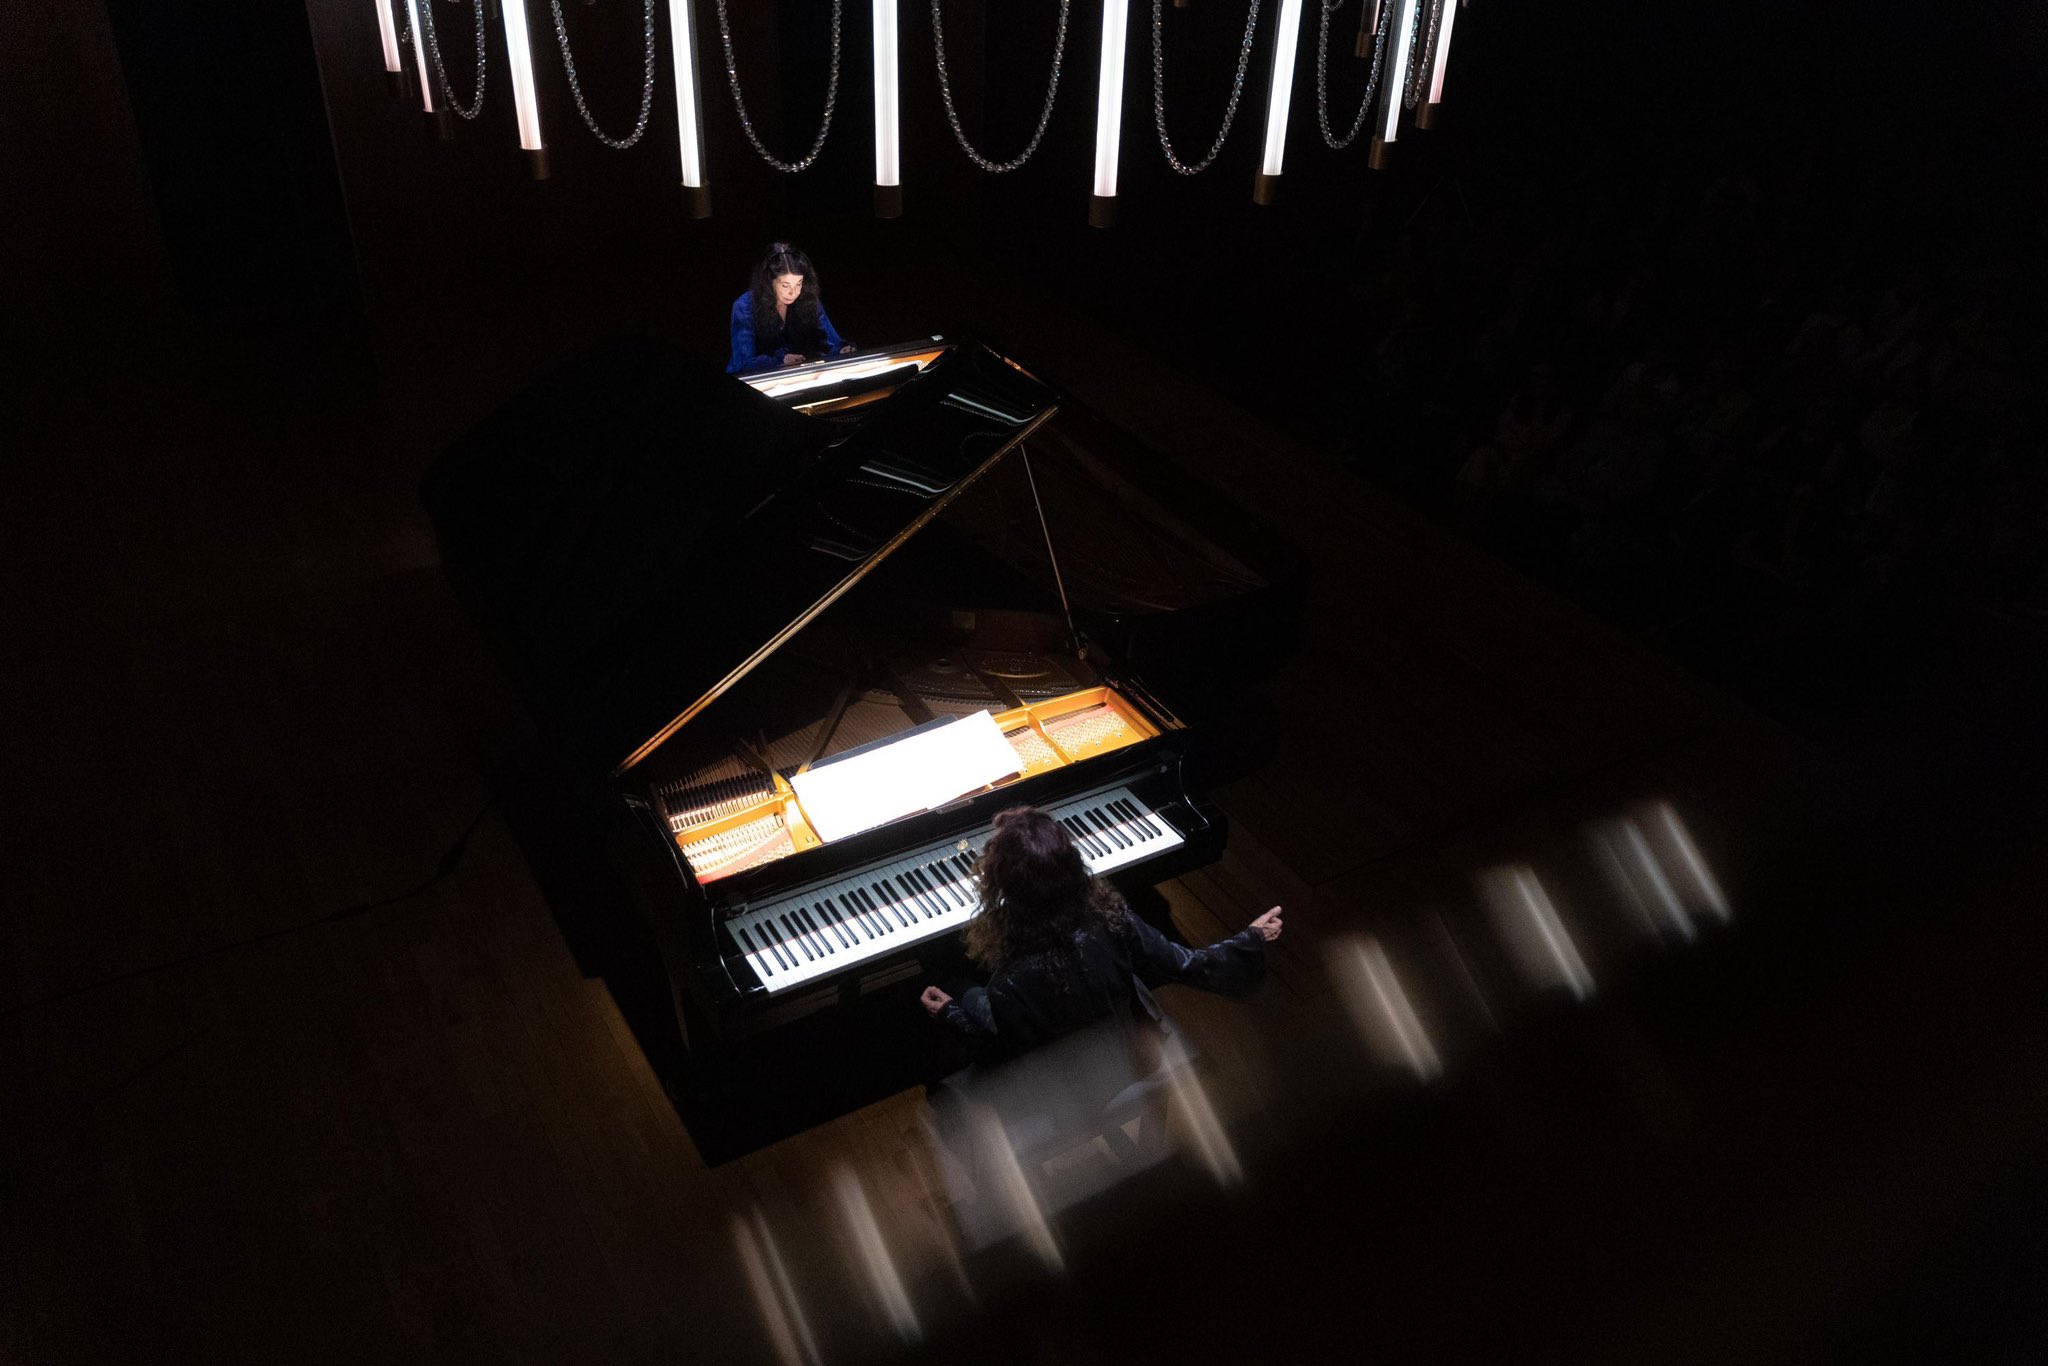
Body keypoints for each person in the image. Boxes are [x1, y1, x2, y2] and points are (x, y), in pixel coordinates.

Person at [920, 806, 1283, 1065]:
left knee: (963, 988)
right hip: (1124, 1040)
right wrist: (1250, 938)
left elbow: (1000, 1049)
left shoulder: (1008, 982)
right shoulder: (1116, 921)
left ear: (1006, 887)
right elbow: (1188, 964)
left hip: (1064, 1076)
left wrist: (950, 1013)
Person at [725, 241, 857, 375]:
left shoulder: (808, 300)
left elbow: (831, 342)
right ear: (769, 282)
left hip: (798, 375)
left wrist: (842, 350)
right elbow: (743, 363)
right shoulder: (744, 306)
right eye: (785, 285)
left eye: (798, 284)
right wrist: (780, 360)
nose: (793, 293)